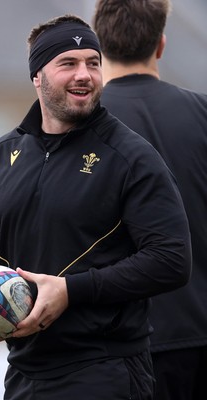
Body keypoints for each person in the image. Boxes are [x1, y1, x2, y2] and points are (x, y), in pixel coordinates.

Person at [0, 13, 192, 400]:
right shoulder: (0, 156)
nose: (85, 75)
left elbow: (171, 259)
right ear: (37, 76)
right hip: (23, 373)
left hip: (105, 371)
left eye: (93, 63)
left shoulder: (131, 156)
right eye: (68, 63)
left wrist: (70, 291)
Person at [92, 1, 207, 399]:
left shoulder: (74, 129)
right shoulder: (203, 114)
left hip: (114, 350)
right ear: (160, 44)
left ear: (99, 45)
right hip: (199, 338)